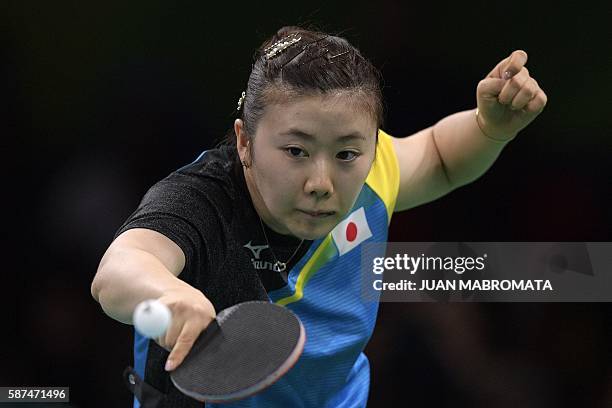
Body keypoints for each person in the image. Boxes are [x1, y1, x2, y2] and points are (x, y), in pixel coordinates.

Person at [90, 25, 547, 407]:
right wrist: (167, 295)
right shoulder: (203, 200)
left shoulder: (373, 167)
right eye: (296, 150)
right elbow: (120, 270)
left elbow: (438, 156)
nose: (321, 181)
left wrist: (489, 128)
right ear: (245, 141)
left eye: (347, 152)